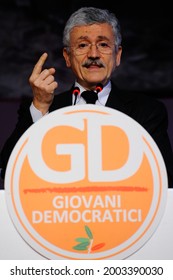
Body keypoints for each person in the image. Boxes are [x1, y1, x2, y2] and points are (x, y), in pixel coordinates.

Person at [0, 6, 173, 187]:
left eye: (103, 44)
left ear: (118, 55)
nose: (93, 54)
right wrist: (40, 107)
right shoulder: (43, 108)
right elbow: (7, 169)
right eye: (82, 45)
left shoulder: (147, 111)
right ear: (67, 57)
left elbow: (164, 178)